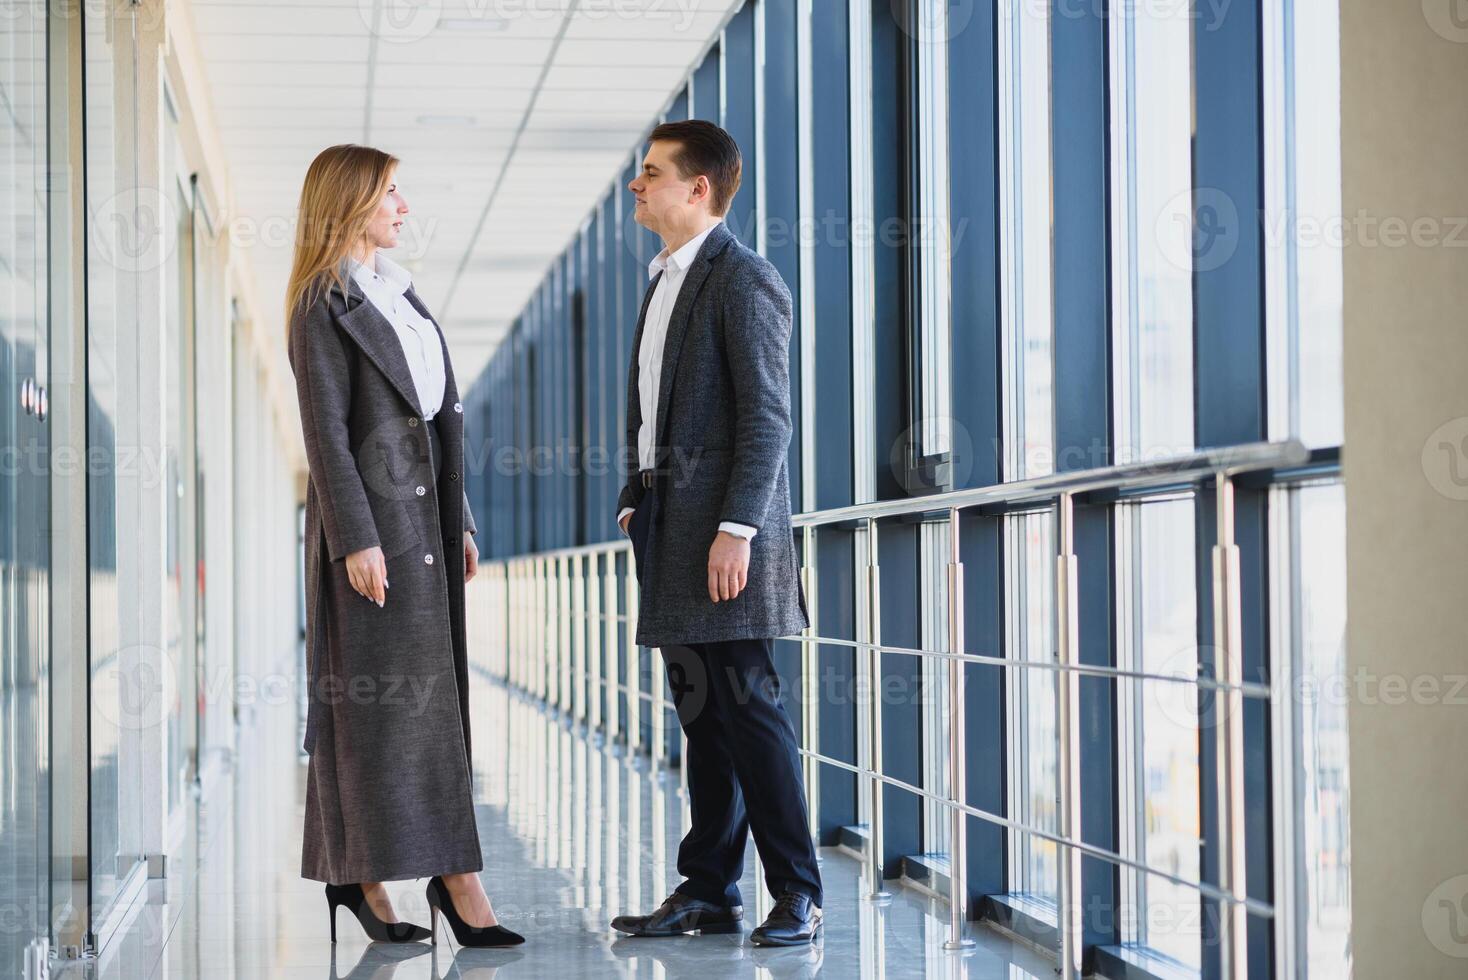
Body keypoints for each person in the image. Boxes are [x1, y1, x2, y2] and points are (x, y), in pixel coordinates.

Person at [286, 143, 521, 948]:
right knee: (383, 713)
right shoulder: (321, 305)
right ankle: (452, 882)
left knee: (415, 707)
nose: (403, 206)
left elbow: (436, 425)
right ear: (351, 202)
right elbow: (325, 437)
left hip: (424, 534)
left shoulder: (402, 298)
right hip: (374, 540)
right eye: (391, 192)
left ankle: (363, 873)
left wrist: (459, 521)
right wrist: (357, 539)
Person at [609, 120, 822, 947]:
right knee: (703, 714)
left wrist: (736, 528)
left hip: (726, 541)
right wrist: (635, 496)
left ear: (698, 189)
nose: (638, 185)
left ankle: (798, 893)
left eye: (652, 173)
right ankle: (707, 890)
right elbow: (648, 409)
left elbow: (769, 418)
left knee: (750, 712)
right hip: (670, 531)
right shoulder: (664, 281)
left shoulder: (745, 280)